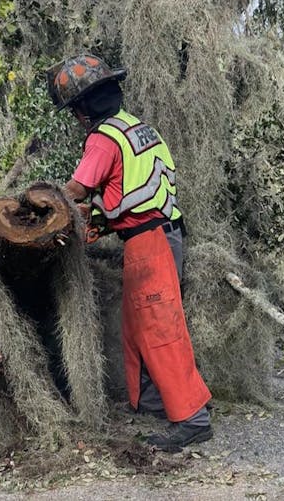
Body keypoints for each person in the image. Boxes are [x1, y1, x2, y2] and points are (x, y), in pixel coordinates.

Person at [46, 53, 213, 450]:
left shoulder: (104, 138)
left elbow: (77, 191)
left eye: (75, 111)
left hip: (149, 240)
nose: (77, 119)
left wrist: (42, 202)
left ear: (85, 108)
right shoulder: (139, 130)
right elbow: (127, 194)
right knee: (139, 325)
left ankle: (192, 417)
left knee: (160, 326)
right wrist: (97, 217)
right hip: (159, 234)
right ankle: (157, 402)